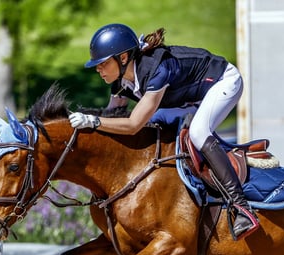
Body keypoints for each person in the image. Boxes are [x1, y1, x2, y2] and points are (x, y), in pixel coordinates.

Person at [68, 23, 260, 240]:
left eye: (102, 63)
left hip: (222, 82)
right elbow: (112, 119)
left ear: (123, 58)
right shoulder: (121, 82)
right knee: (154, 125)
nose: (97, 69)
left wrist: (92, 121)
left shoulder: (157, 71)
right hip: (188, 97)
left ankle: (242, 207)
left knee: (198, 132)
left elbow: (131, 125)